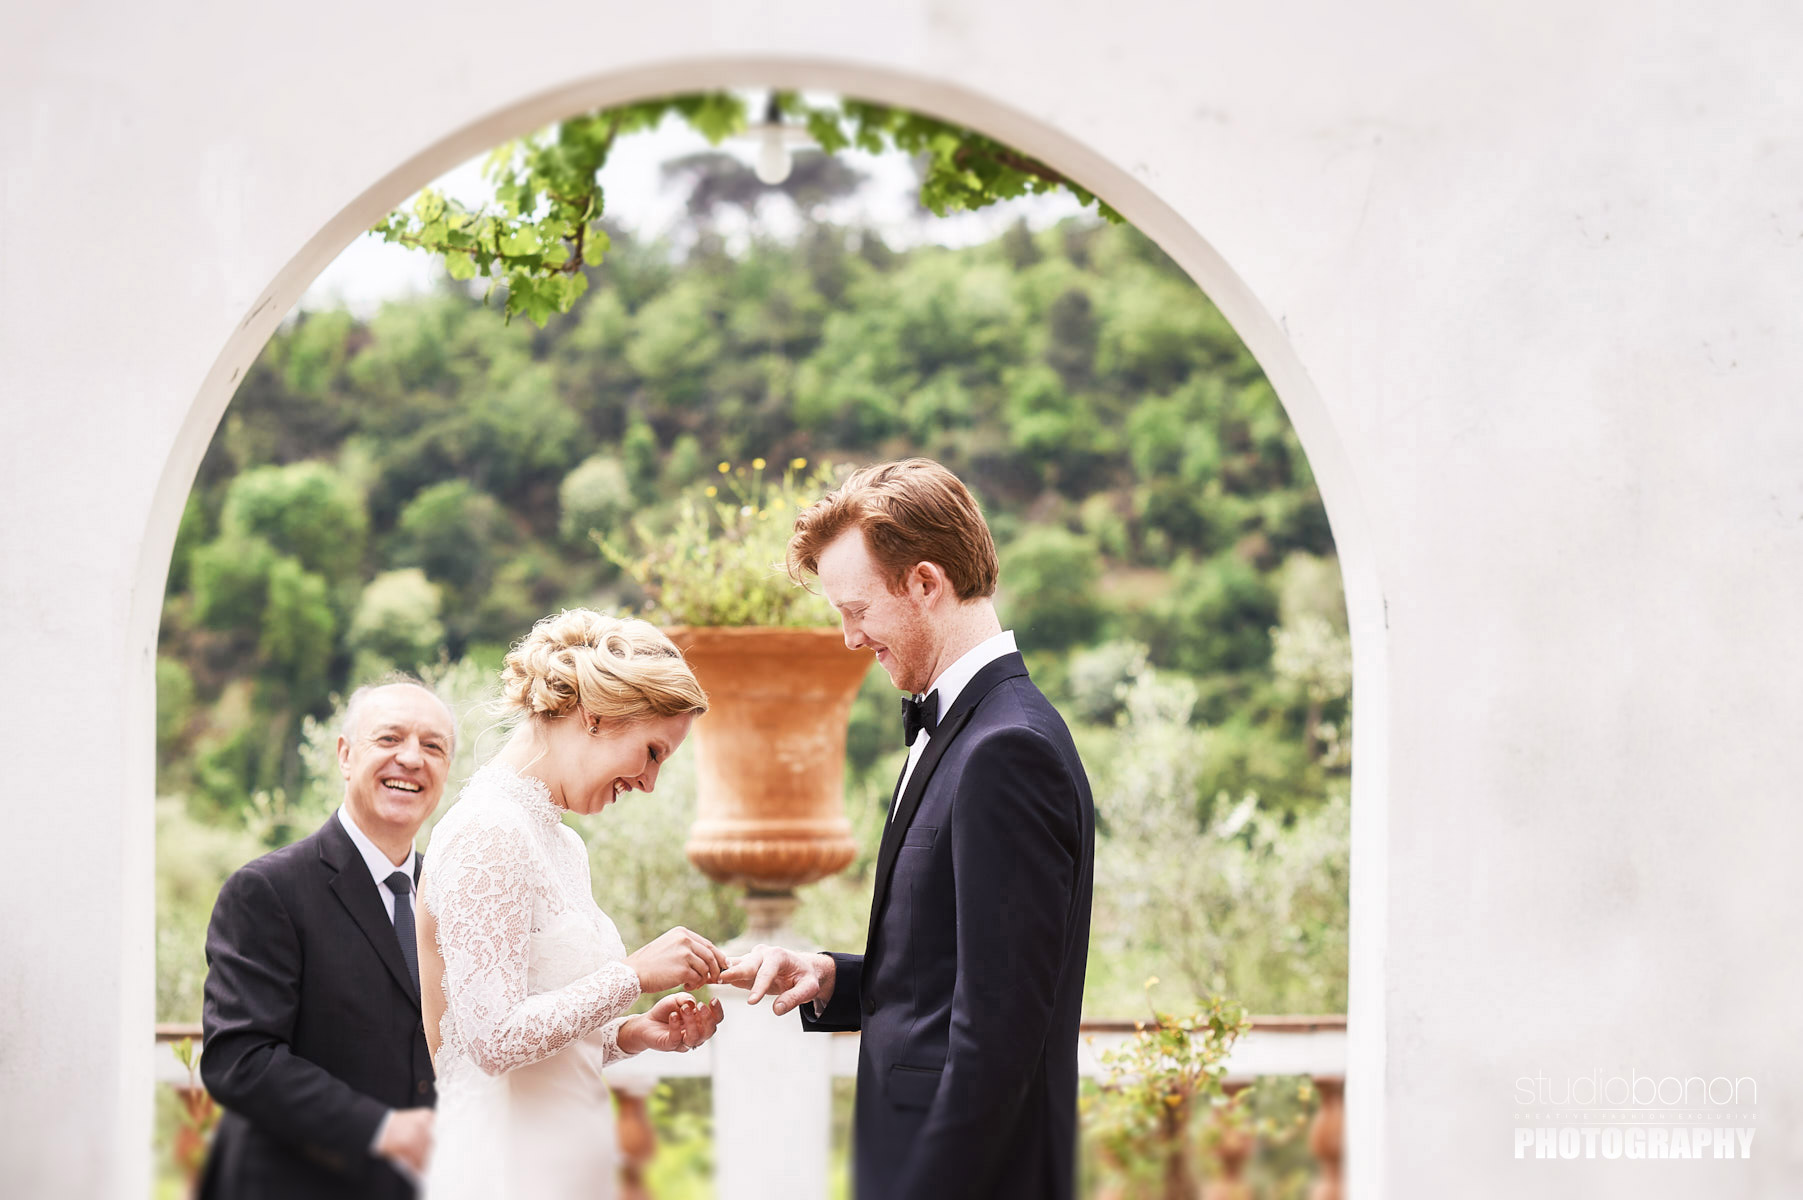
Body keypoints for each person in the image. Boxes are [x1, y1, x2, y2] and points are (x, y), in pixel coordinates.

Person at [723, 459, 1097, 1200]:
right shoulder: (963, 729)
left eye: (857, 609)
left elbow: (997, 1041)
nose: (848, 638)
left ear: (925, 583)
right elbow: (962, 973)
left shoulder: (1006, 749)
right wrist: (838, 977)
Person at [419, 609, 728, 1200]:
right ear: (597, 716)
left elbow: (546, 1044)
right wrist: (632, 975)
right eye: (652, 751)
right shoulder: (487, 830)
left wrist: (631, 1034)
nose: (650, 782)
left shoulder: (562, 845)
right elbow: (494, 1041)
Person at [200, 679, 457, 1199]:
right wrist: (384, 1129)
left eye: (433, 746)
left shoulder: (454, 896)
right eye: (389, 739)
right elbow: (241, 1059)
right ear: (344, 755)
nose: (412, 758)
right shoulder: (266, 889)